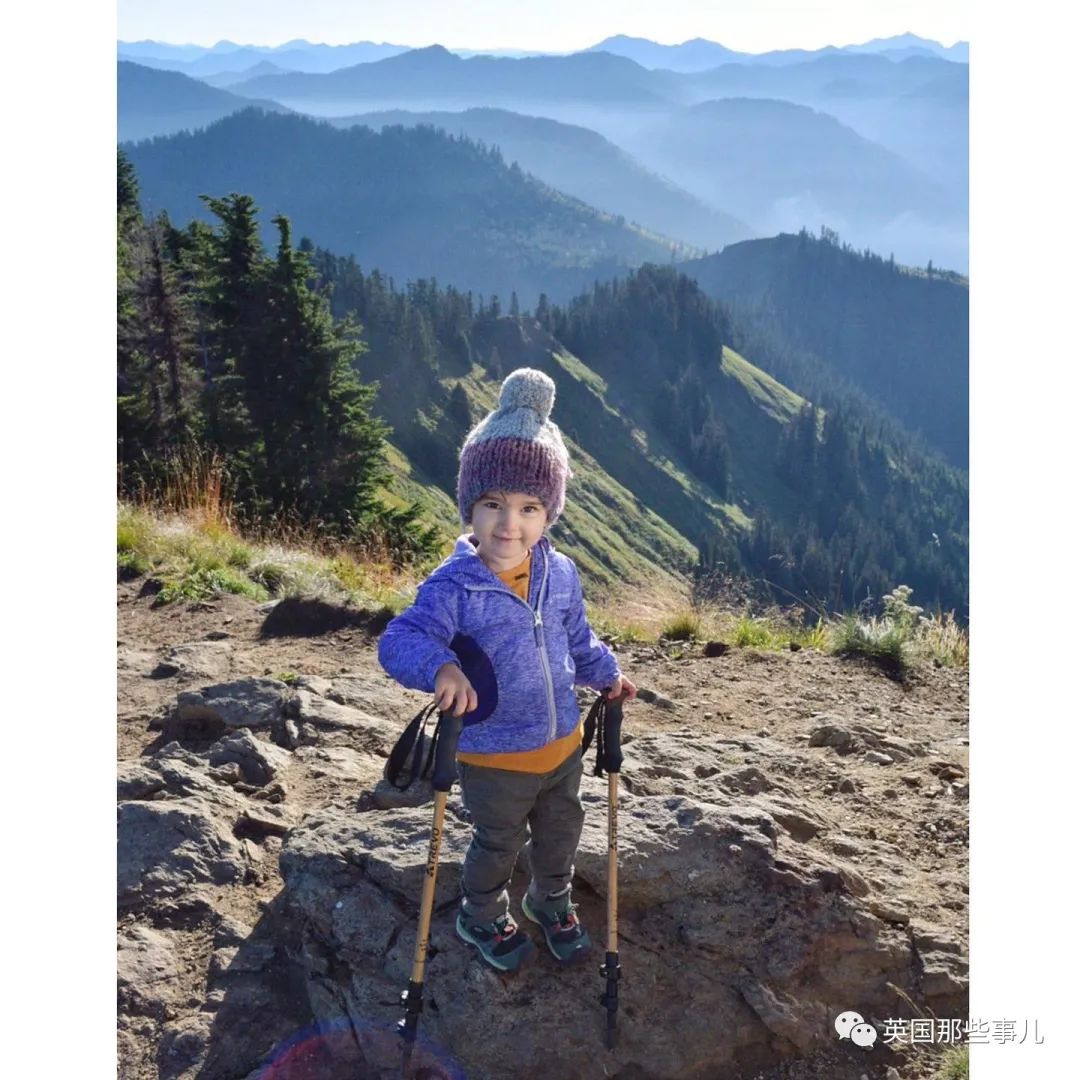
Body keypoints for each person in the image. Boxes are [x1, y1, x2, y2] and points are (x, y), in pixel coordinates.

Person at [378, 367, 637, 974]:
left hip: (563, 745)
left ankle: (549, 899)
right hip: (493, 755)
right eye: (492, 504)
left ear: (549, 513)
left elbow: (576, 638)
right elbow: (400, 638)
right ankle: (481, 912)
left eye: (528, 507)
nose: (508, 524)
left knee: (561, 832)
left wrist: (606, 674)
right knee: (497, 841)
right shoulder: (455, 584)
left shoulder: (560, 573)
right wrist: (441, 667)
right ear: (470, 506)